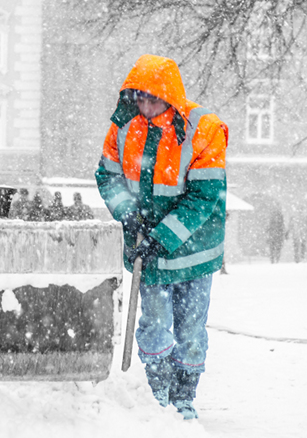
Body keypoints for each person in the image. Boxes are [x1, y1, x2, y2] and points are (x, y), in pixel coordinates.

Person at [95, 54, 228, 421]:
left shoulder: (204, 129)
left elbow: (204, 196)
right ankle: (158, 392)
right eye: (138, 98)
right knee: (153, 321)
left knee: (190, 324)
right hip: (146, 248)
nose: (145, 106)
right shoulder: (124, 127)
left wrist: (163, 236)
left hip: (194, 249)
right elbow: (108, 176)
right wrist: (128, 213)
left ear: (169, 97)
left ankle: (185, 394)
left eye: (152, 99)